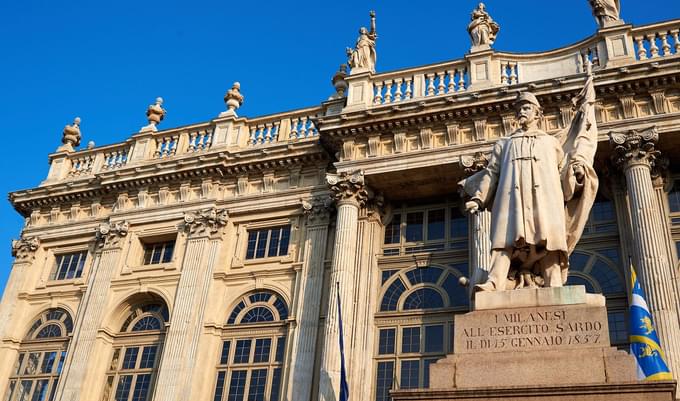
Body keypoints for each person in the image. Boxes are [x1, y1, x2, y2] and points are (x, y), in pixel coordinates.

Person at [459, 66, 599, 292]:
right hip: (511, 199)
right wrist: (478, 198)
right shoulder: (503, 144)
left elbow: (562, 170)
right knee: (503, 242)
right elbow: (492, 174)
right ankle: (494, 281)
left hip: (544, 199)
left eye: (526, 108)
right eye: (519, 109)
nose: (521, 112)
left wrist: (576, 175)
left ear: (537, 113)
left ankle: (553, 282)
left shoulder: (551, 143)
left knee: (549, 241)